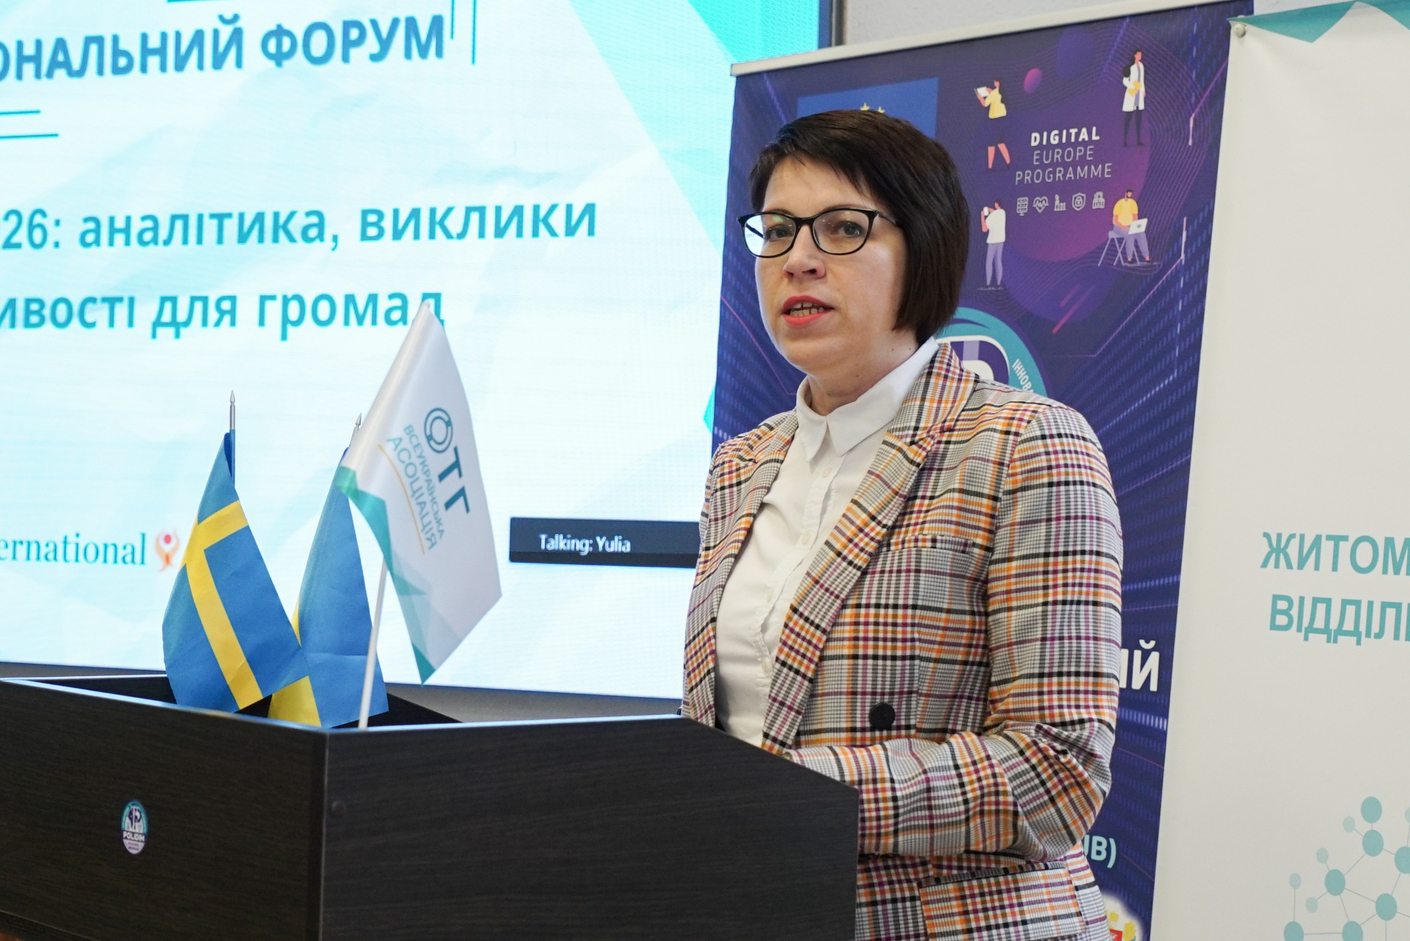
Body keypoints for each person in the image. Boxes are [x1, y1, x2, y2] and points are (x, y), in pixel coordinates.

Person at [685, 109, 1122, 941]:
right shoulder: (740, 464)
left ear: (923, 248)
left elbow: (1059, 766)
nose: (798, 258)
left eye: (842, 228)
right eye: (776, 231)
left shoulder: (1026, 443)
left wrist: (793, 791)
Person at [976, 79, 1010, 169]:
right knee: (1000, 143)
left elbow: (985, 103)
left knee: (991, 144)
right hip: (1002, 120)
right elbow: (997, 97)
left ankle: (990, 167)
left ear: (997, 82)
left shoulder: (994, 93)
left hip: (994, 121)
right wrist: (991, 92)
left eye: (995, 81)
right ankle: (1009, 163)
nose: (994, 83)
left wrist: (980, 97)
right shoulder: (1002, 92)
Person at [1112, 189, 1150, 261]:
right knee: (1130, 235)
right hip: (1119, 226)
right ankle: (1129, 259)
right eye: (1128, 193)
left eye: (1130, 194)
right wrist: (1124, 227)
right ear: (1125, 193)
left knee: (1141, 234)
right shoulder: (1119, 203)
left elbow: (1135, 216)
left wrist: (1135, 226)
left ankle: (1147, 257)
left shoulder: (1133, 203)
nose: (1129, 195)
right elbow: (1115, 220)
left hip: (1130, 226)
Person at [1121, 51, 1146, 146]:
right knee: (1128, 117)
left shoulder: (1141, 66)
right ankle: (1124, 140)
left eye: (1141, 55)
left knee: (1138, 118)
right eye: (1138, 54)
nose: (1140, 56)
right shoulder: (1130, 67)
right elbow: (1125, 81)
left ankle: (1138, 139)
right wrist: (1133, 86)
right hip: (1132, 93)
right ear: (1135, 55)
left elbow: (1141, 80)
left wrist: (1143, 90)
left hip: (1139, 95)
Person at [981, 200, 1006, 287]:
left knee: (989, 262)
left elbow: (984, 229)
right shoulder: (1003, 212)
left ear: (996, 204)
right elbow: (996, 213)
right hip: (1001, 240)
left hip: (992, 241)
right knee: (998, 261)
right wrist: (991, 211)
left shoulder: (991, 217)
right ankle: (998, 283)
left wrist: (982, 216)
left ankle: (988, 283)